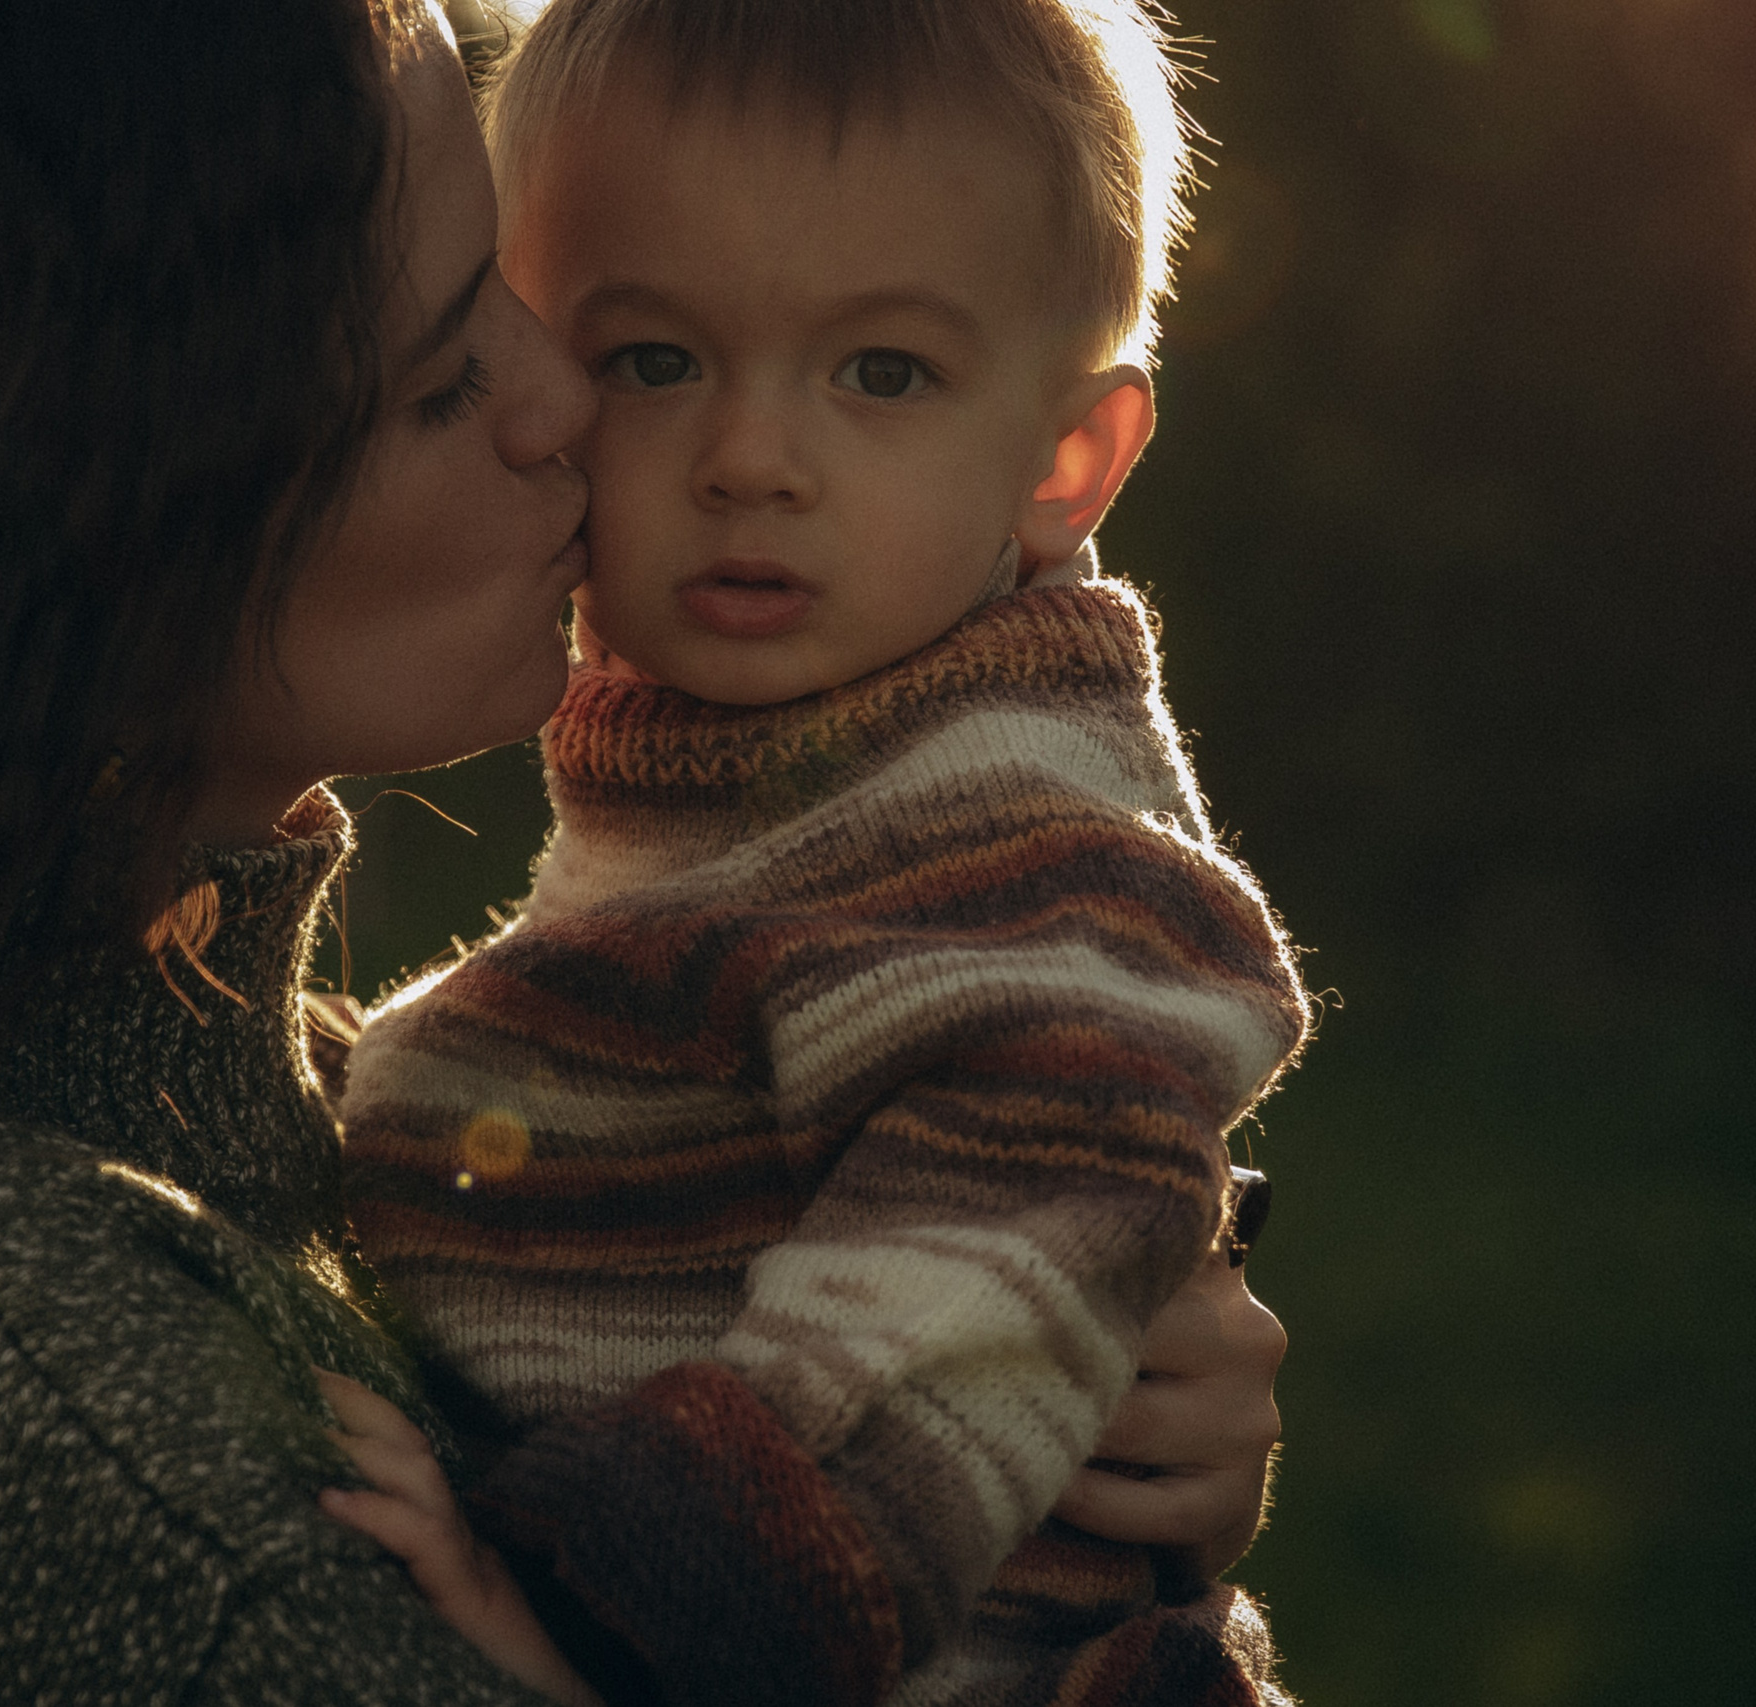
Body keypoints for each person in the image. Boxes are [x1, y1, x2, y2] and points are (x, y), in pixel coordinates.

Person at [0, 0, 1281, 1702]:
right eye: (461, 365)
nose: (574, 412)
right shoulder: (77, 1437)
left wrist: (1084, 1425)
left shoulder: (181, 1080)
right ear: (111, 509)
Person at [334, 2, 1310, 1703]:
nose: (750, 462)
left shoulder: (1022, 853)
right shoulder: (765, 791)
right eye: (656, 359)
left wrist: (597, 1622)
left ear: (1067, 461)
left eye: (882, 373)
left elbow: (967, 1289)